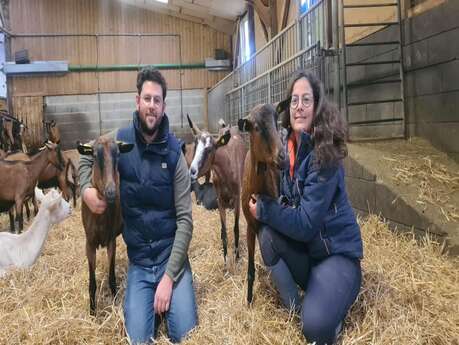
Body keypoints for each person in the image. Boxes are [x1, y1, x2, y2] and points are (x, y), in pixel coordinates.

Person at [79, 67, 197, 344]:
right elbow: (86, 154)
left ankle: (169, 299)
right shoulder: (119, 141)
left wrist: (169, 278)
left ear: (164, 106)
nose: (151, 106)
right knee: (137, 338)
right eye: (147, 99)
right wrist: (85, 190)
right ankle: (151, 304)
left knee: (184, 335)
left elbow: (186, 221)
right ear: (137, 101)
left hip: (171, 262)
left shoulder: (174, 154)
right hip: (141, 264)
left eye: (157, 100)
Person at [248, 70, 363, 345]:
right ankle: (297, 311)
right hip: (311, 253)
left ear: (317, 106)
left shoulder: (325, 154)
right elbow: (288, 206)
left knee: (315, 329)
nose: (299, 107)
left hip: (336, 256)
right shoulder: (289, 148)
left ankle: (323, 309)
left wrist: (265, 209)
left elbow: (305, 223)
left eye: (306, 100)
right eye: (294, 100)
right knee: (268, 237)